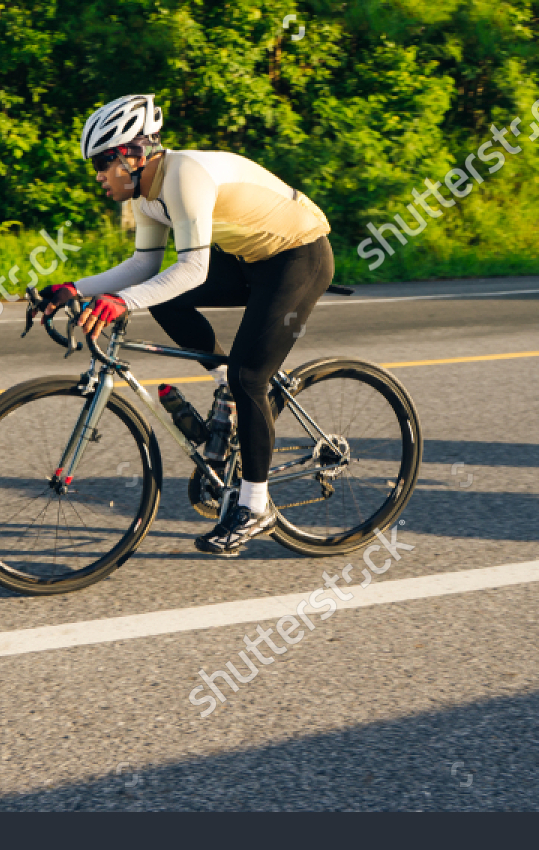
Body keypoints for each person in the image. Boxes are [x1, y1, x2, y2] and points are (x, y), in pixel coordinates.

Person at [38, 94, 336, 556]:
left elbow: (193, 270)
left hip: (298, 256)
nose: (97, 174)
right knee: (165, 300)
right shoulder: (146, 195)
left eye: (102, 162)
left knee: (249, 376)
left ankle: (256, 505)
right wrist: (74, 288)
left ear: (134, 156)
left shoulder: (184, 177)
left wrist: (119, 303)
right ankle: (227, 392)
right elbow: (143, 267)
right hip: (249, 260)